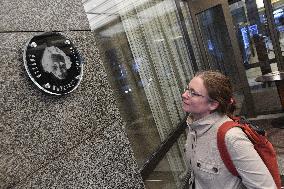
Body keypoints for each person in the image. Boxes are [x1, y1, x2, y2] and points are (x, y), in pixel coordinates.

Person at [182, 70, 277, 189]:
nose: (184, 94)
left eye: (193, 93)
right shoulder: (194, 127)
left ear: (213, 105)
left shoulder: (231, 138)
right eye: (187, 89)